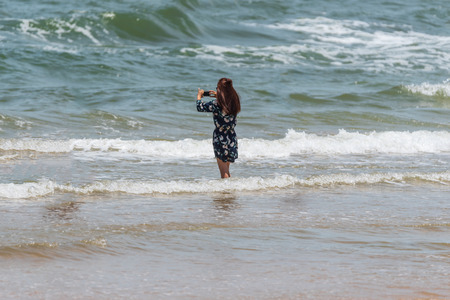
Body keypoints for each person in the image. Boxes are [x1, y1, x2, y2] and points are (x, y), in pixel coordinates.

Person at [196, 78, 241, 178]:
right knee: (226, 169)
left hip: (220, 137)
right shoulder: (235, 102)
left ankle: (226, 191)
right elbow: (225, 104)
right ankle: (228, 191)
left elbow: (200, 107)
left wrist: (199, 96)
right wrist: (219, 96)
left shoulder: (216, 104)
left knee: (223, 171)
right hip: (231, 137)